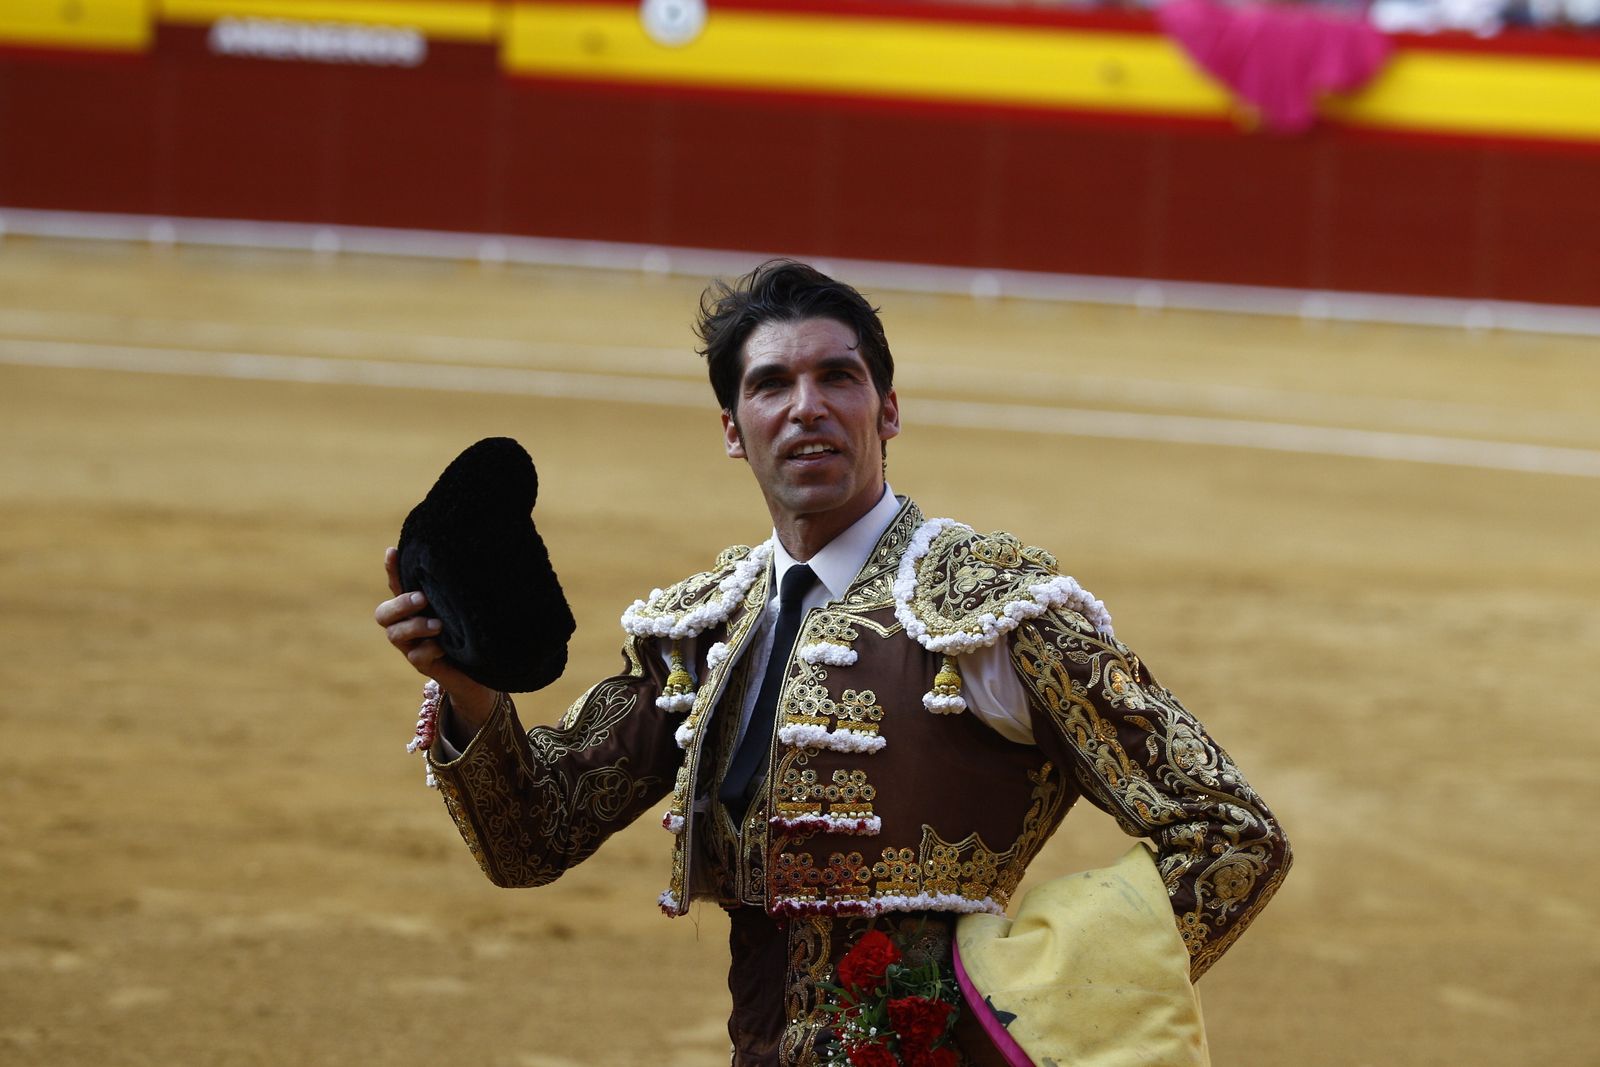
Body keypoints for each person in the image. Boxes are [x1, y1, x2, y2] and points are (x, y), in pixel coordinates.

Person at [374, 260, 1291, 1066]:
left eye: (836, 377)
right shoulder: (708, 627)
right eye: (771, 384)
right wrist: (463, 686)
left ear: (886, 410)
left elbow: (1228, 832)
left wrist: (1024, 1012)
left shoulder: (988, 607)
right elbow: (535, 833)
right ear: (734, 428)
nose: (806, 405)